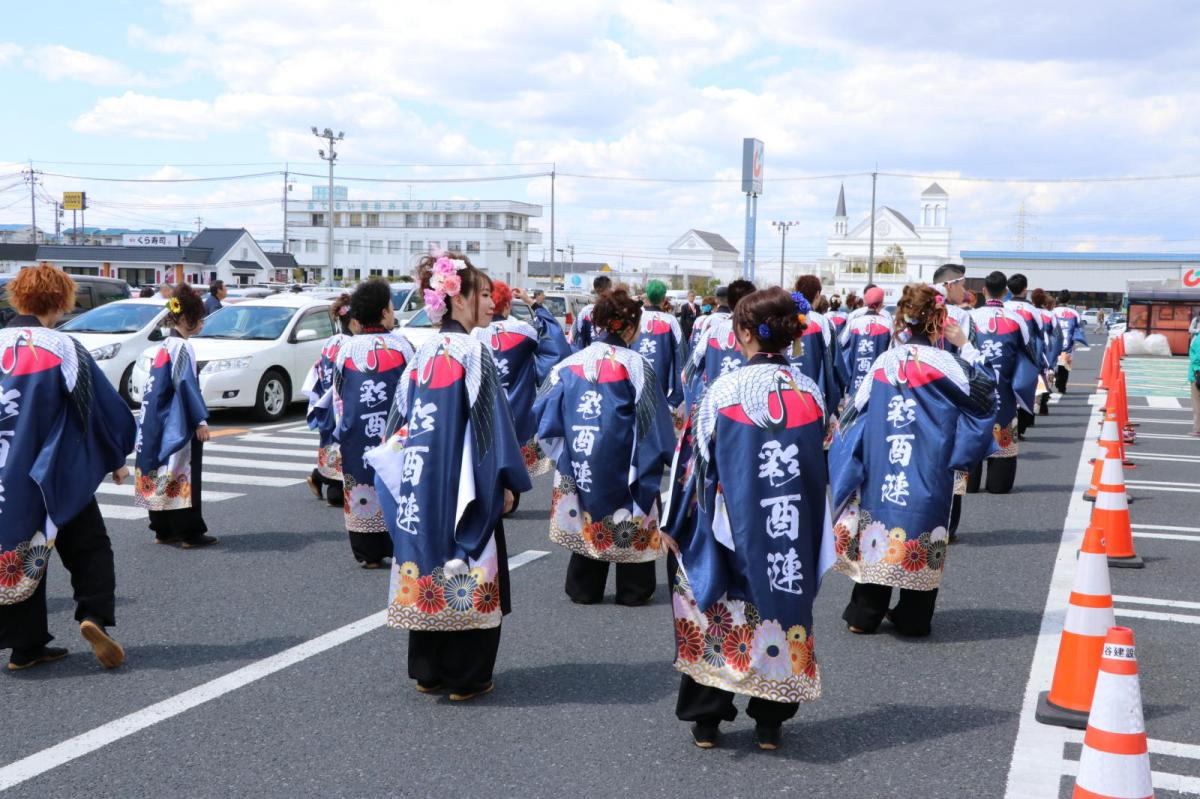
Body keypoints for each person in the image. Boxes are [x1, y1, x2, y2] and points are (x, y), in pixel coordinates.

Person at [663, 287, 832, 751]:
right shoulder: (810, 394)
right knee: (781, 608)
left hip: (730, 527)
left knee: (715, 609)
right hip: (789, 530)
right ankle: (770, 722)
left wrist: (674, 524)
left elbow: (692, 467)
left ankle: (707, 720)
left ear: (742, 333)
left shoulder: (722, 391)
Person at [369, 252, 531, 701]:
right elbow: (490, 424)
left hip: (422, 481)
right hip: (462, 482)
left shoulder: (423, 354)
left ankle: (428, 670)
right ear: (457, 299)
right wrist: (506, 483)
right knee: (472, 559)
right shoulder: (474, 351)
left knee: (427, 559)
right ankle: (467, 675)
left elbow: (396, 423)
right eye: (482, 293)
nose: (491, 303)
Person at [829, 284, 997, 637]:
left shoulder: (884, 361)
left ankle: (864, 614)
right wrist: (966, 344)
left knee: (878, 528)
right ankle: (913, 616)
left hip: (884, 462)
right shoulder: (948, 363)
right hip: (928, 465)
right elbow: (985, 396)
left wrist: (851, 459)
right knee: (924, 527)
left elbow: (854, 413)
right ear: (938, 322)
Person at [0, 266, 136, 671]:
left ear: (17, 298)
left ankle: (26, 647)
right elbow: (96, 407)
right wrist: (115, 459)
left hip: (6, 475)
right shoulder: (62, 347)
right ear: (61, 301)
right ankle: (93, 616)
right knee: (89, 546)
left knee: (16, 554)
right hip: (54, 474)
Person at [533, 289, 676, 606]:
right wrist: (667, 457)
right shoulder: (637, 365)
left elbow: (543, 410)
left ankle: (585, 587)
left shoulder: (571, 363)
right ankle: (632, 589)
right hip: (625, 463)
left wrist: (563, 453)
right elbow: (654, 424)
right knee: (631, 516)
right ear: (630, 327)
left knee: (588, 518)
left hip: (581, 461)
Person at [332, 278, 415, 568]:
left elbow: (338, 392)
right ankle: (399, 544)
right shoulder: (403, 346)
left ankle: (367, 552)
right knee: (395, 484)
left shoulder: (347, 349)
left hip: (356, 432)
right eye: (391, 308)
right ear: (382, 312)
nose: (394, 313)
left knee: (359, 483)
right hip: (392, 434)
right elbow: (412, 390)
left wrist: (342, 426)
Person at [134, 284, 217, 549]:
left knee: (160, 470)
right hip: (175, 419)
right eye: (199, 318)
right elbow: (185, 383)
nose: (202, 323)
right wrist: (199, 421)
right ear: (185, 319)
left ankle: (162, 528)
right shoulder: (183, 347)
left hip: (154, 418)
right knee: (182, 472)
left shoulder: (164, 346)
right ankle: (189, 532)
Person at [475, 280, 567, 479]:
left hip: (483, 414)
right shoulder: (523, 330)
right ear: (508, 304)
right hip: (518, 413)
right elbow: (556, 348)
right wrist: (532, 303)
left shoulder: (474, 333)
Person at [967, 271, 1039, 494]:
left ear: (984, 291)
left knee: (969, 435)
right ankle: (998, 484)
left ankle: (968, 484)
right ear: (1006, 292)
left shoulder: (970, 317)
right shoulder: (1017, 319)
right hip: (1005, 390)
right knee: (1004, 433)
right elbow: (1029, 355)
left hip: (972, 392)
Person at [932, 264, 983, 542]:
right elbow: (974, 365)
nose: (965, 291)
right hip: (950, 399)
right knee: (951, 461)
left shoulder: (909, 313)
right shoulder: (959, 317)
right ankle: (947, 527)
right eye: (962, 285)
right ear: (950, 285)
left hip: (914, 398)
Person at [302, 293, 353, 508]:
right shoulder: (351, 344)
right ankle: (330, 486)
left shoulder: (330, 342)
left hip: (326, 401)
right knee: (340, 446)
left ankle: (320, 477)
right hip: (339, 401)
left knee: (329, 444)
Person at [683, 280, 757, 411]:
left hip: (715, 406)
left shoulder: (712, 330)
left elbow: (688, 373)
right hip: (748, 410)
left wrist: (692, 406)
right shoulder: (759, 333)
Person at [789, 276, 843, 414]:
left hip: (782, 392)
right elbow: (833, 362)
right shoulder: (822, 322)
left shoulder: (783, 319)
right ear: (818, 294)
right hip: (813, 395)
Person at [635, 280, 686, 424]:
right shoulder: (671, 321)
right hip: (662, 394)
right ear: (664, 299)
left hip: (632, 392)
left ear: (647, 298)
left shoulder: (634, 319)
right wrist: (675, 399)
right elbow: (682, 359)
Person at [1004, 274, 1046, 438]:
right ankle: (1019, 430)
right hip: (1025, 357)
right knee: (1025, 391)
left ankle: (1004, 428)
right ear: (1025, 289)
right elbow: (1040, 335)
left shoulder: (1004, 306)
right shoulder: (1032, 310)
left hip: (1005, 354)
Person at [840, 286, 893, 395]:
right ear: (881, 303)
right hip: (878, 381)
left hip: (855, 379)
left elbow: (840, 343)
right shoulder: (888, 322)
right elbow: (894, 347)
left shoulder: (854, 322)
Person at [1030, 289, 1062, 415]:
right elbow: (1057, 336)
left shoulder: (1027, 312)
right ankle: (1042, 403)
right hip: (1045, 349)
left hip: (1029, 348)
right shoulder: (1050, 315)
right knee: (1044, 376)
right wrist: (1056, 352)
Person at [1051, 290, 1088, 393]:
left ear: (1058, 299)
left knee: (1051, 365)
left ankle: (1051, 383)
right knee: (1065, 367)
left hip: (1053, 344)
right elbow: (1080, 328)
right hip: (1068, 344)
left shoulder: (1052, 312)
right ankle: (1061, 387)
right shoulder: (1074, 313)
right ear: (1069, 300)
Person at [570, 275, 613, 350]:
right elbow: (576, 341)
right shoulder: (586, 313)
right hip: (593, 357)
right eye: (609, 288)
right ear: (598, 290)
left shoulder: (617, 311)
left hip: (614, 357)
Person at [1190, 330, 1200, 435]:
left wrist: (1197, 371)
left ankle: (1198, 429)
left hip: (1197, 375)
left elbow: (1197, 358)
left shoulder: (1199, 339)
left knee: (1197, 403)